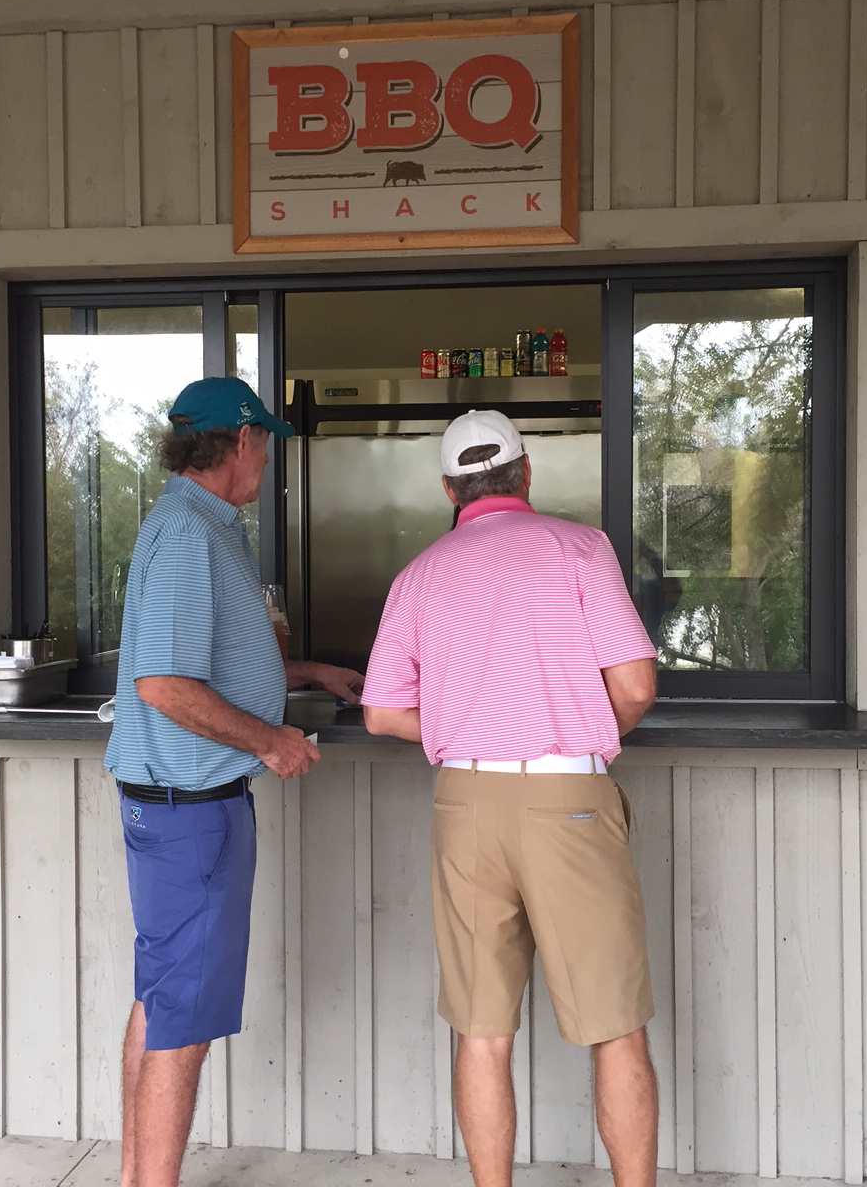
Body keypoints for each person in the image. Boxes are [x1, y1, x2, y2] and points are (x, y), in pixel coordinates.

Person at [361, 410, 661, 1187]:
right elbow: (635, 687)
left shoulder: (417, 575)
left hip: (463, 805)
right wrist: (576, 723)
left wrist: (468, 720)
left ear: (449, 490)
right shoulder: (580, 548)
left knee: (481, 1030)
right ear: (526, 473)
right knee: (614, 1025)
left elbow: (382, 712)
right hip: (567, 799)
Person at [104, 375, 363, 1187]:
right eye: (266, 444)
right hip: (192, 816)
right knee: (181, 1019)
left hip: (176, 811)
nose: (269, 460)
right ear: (241, 441)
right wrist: (270, 741)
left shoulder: (202, 524)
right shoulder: (189, 533)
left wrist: (304, 671)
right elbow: (164, 684)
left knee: (162, 999)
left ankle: (134, 1178)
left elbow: (206, 661)